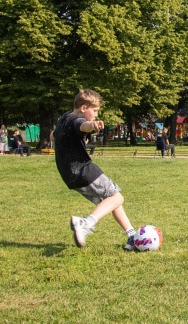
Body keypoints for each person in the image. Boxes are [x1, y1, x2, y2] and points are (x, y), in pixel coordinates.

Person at [58, 89, 139, 250]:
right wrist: (92, 125)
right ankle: (86, 223)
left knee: (110, 199)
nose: (96, 115)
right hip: (83, 169)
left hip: (69, 175)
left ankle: (131, 235)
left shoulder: (63, 119)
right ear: (83, 108)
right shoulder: (77, 119)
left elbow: (53, 136)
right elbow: (83, 125)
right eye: (94, 111)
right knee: (117, 197)